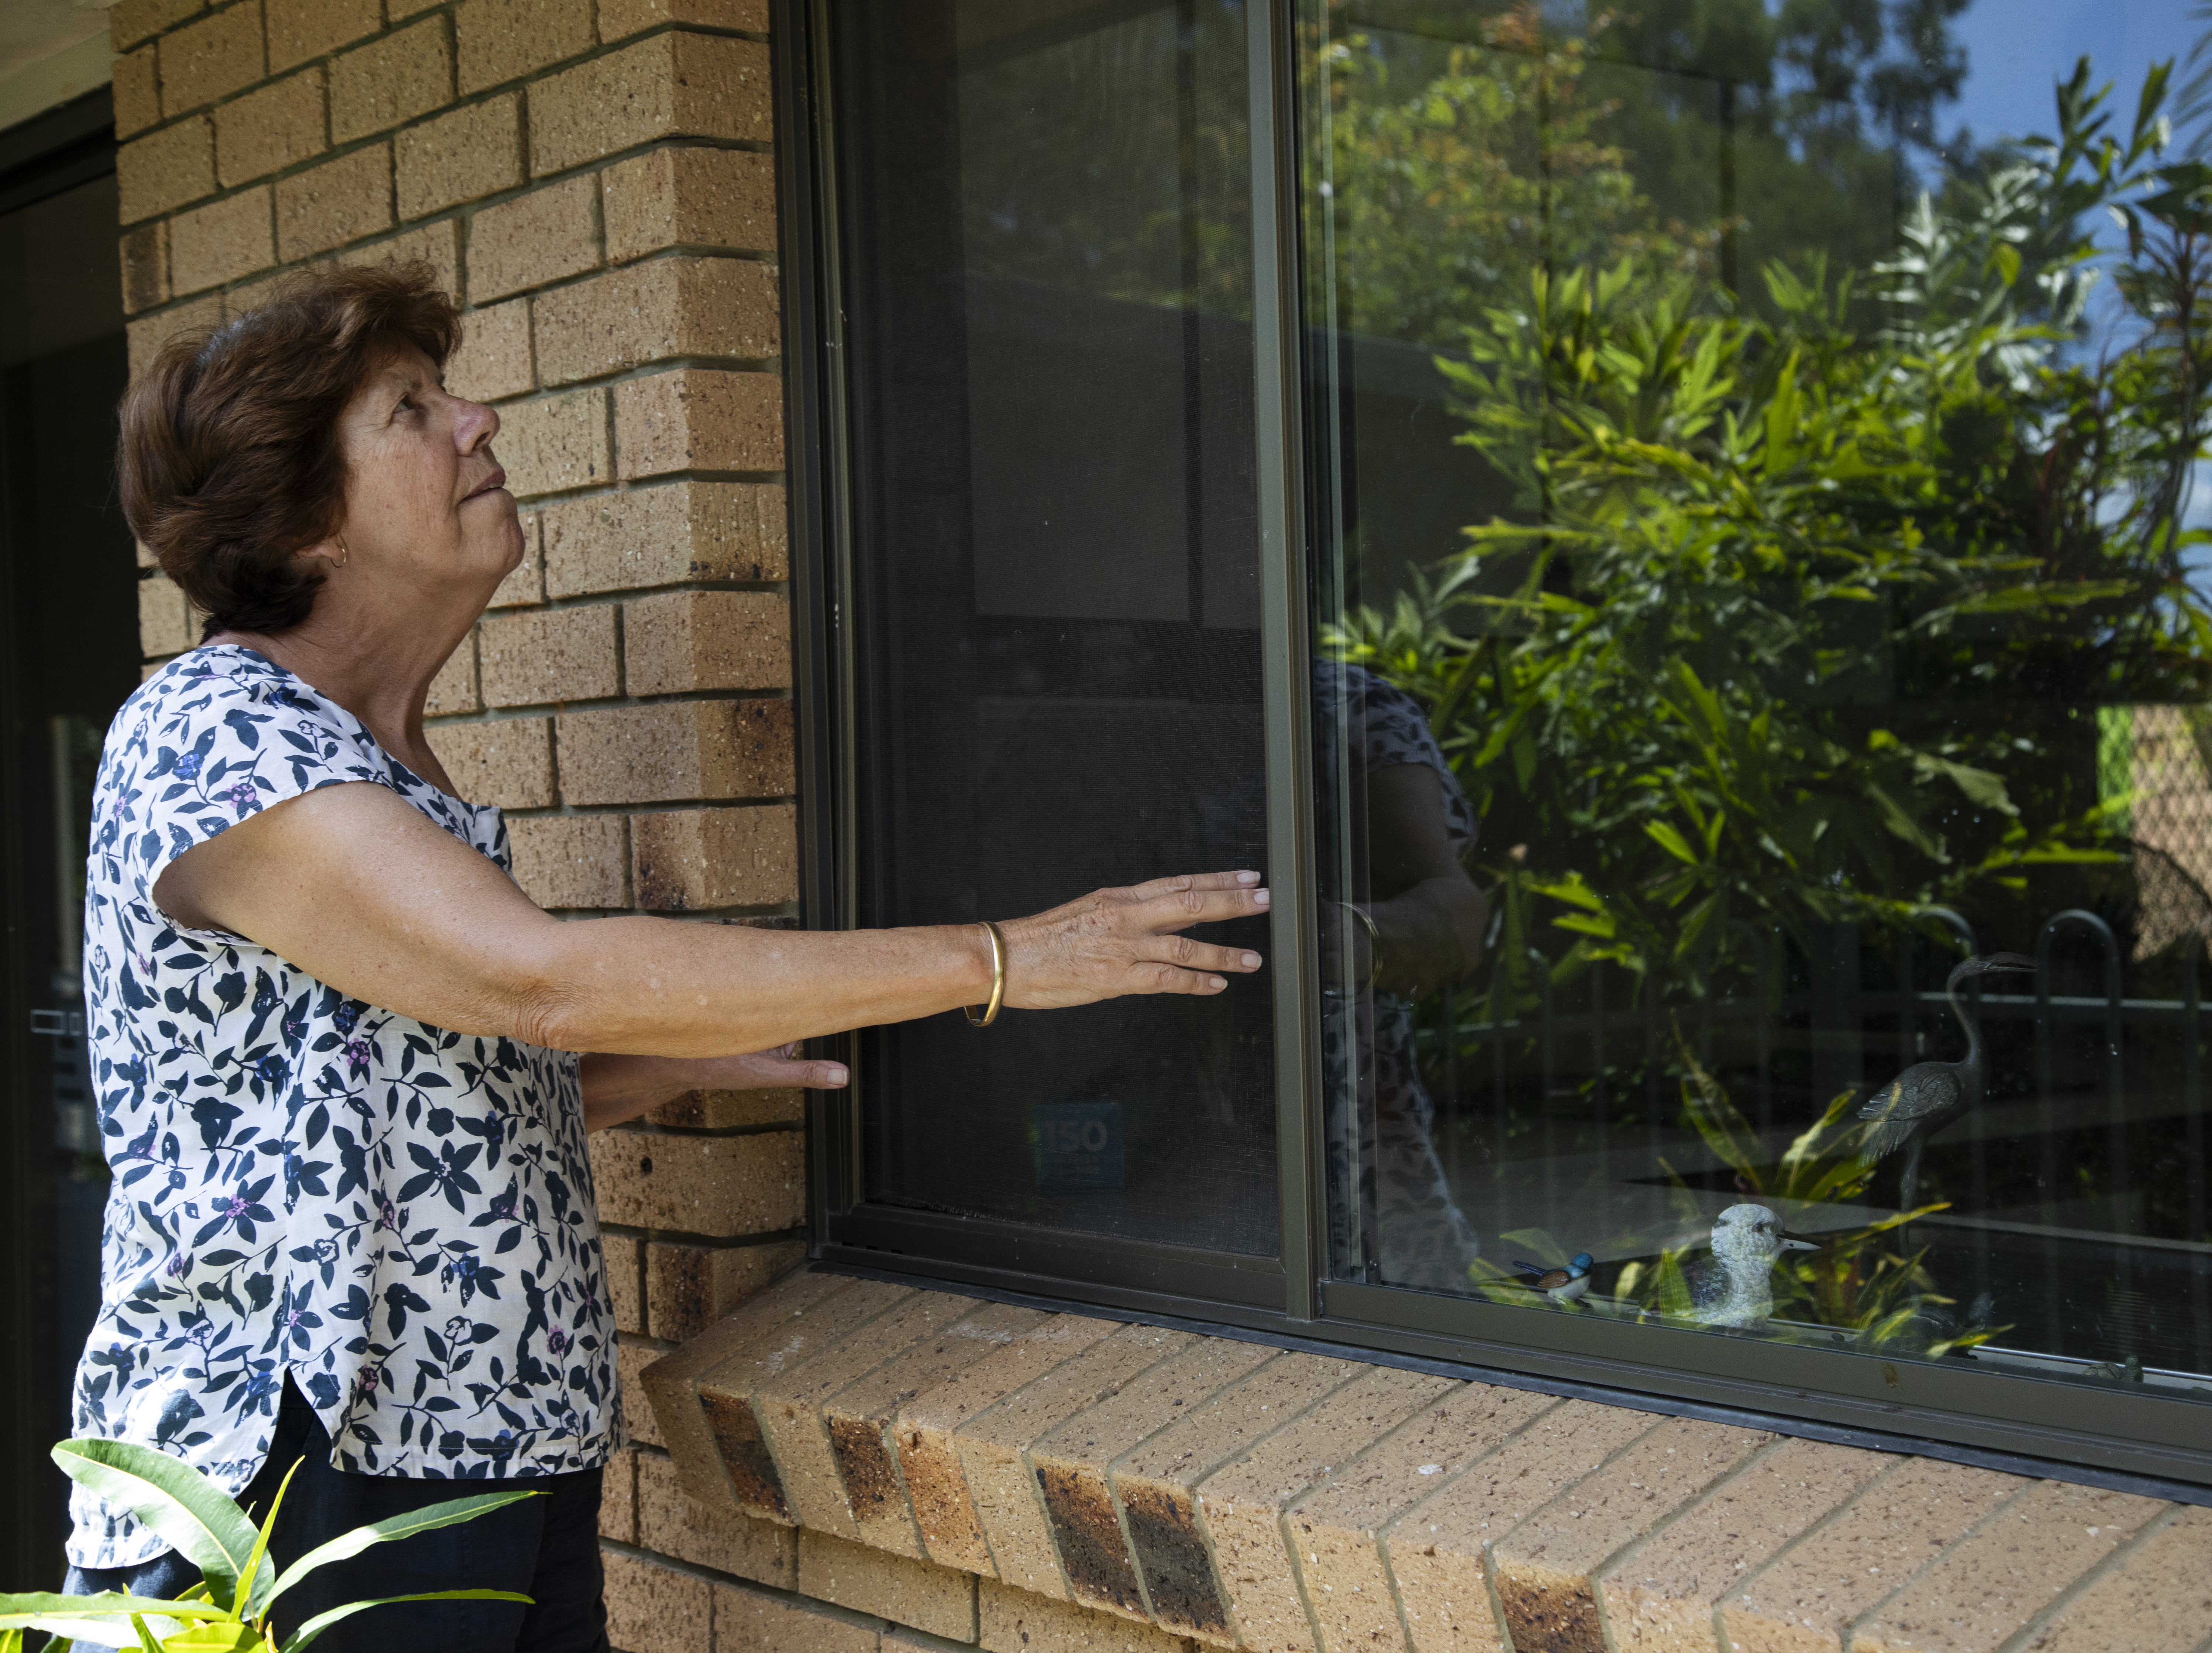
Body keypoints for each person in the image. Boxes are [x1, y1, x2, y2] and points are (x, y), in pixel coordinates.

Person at [65, 262, 1267, 1653]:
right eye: (412, 410)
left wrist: (629, 1076)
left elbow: (363, 1112)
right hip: (296, 1480)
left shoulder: (374, 760)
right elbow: (533, 978)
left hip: (491, 1454)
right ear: (303, 519)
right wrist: (1004, 956)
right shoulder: (214, 726)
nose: (479, 420)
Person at [1315, 658, 1487, 1292]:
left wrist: (1343, 940)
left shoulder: (1344, 703)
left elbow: (1459, 919)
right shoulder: (1069, 720)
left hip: (1356, 1132)